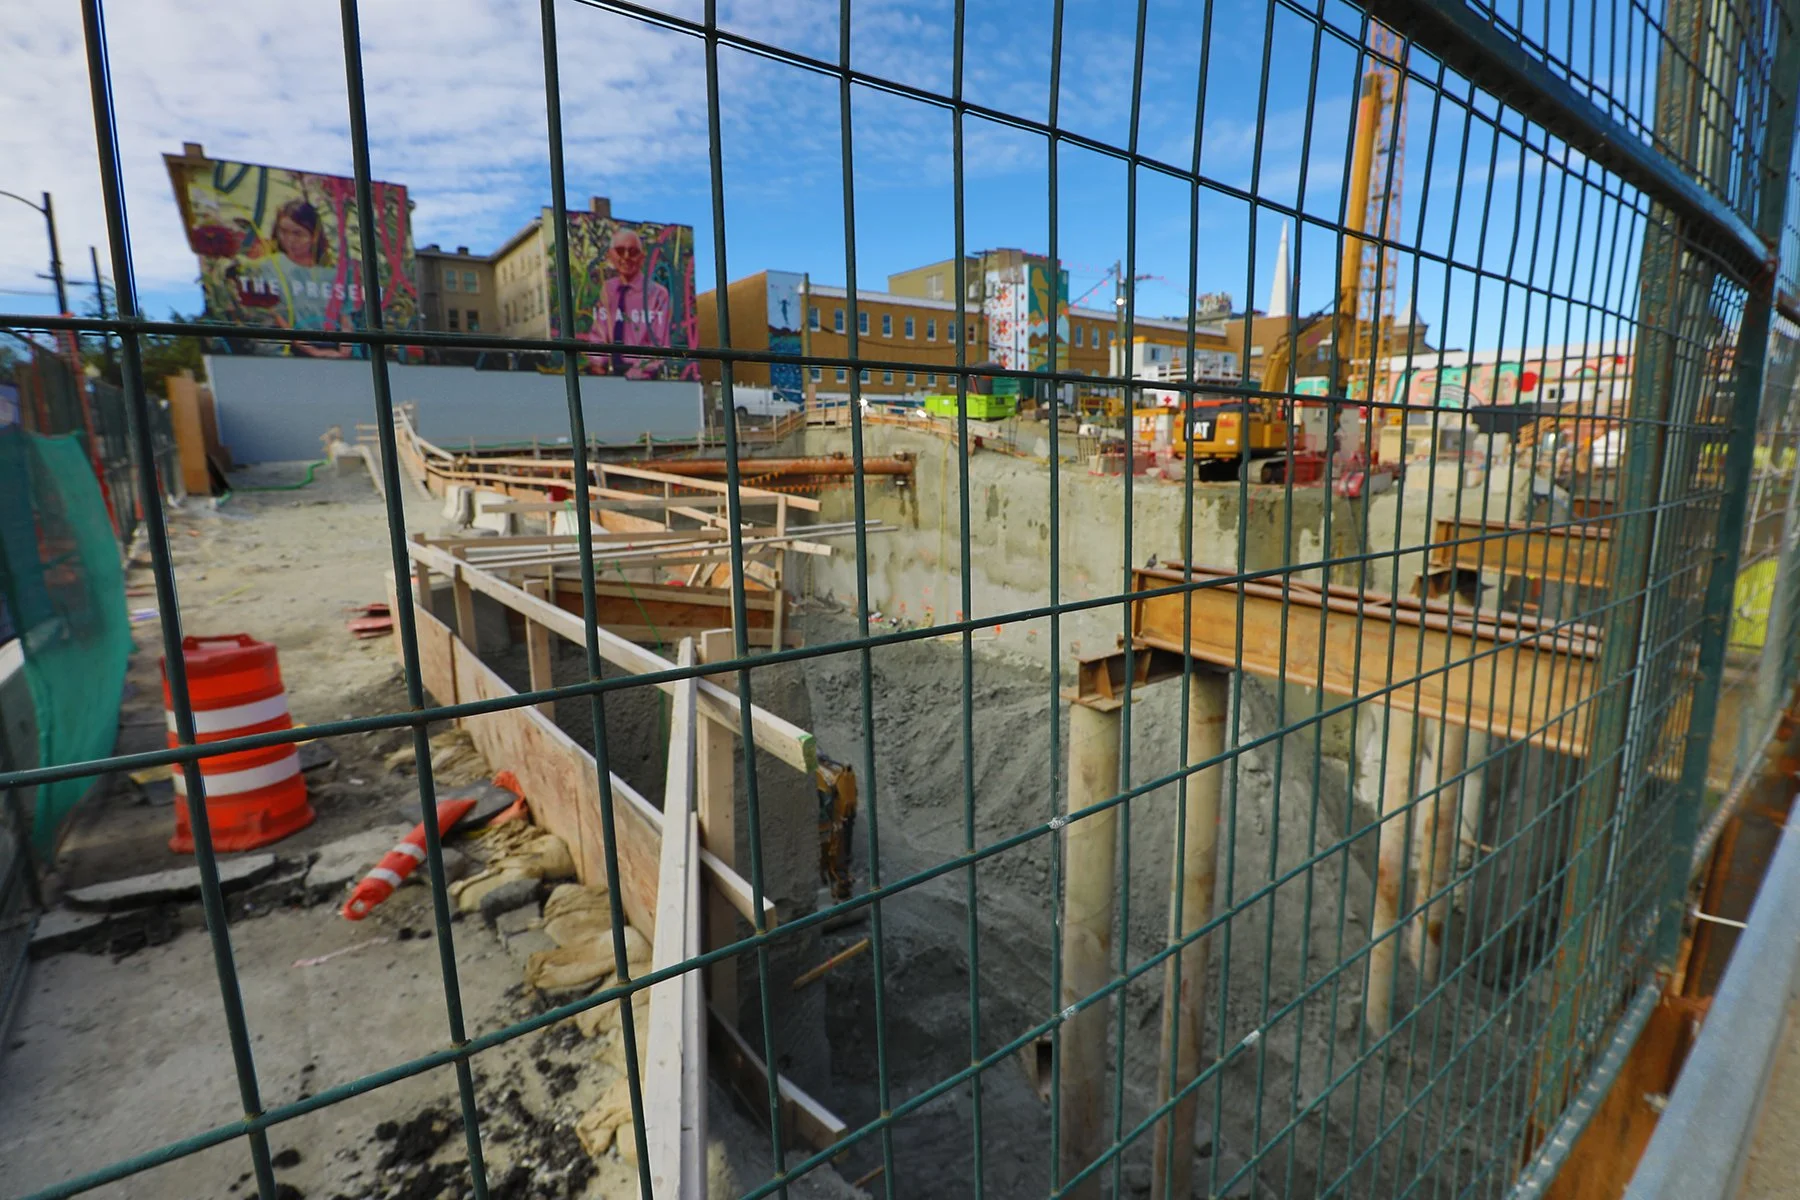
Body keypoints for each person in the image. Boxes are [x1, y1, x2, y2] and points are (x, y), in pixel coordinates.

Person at [578, 228, 670, 378]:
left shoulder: (658, 294)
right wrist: (597, 362)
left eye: (633, 252)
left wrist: (636, 373)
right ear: (611, 255)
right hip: (608, 375)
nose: (626, 257)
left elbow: (659, 346)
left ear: (642, 257)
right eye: (620, 251)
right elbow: (599, 334)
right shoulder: (607, 289)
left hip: (642, 376)